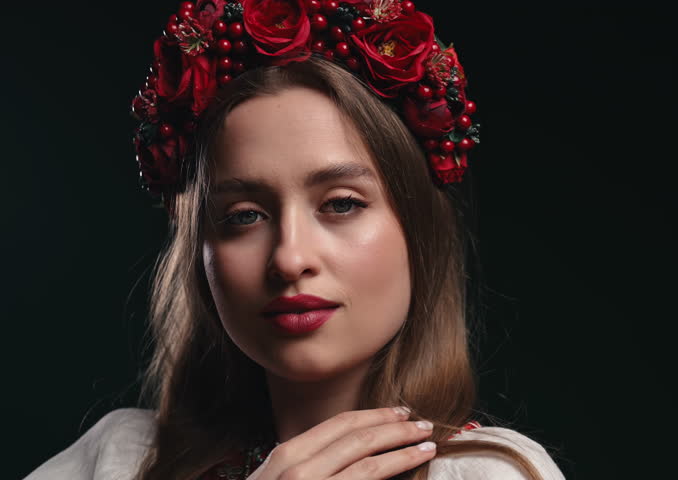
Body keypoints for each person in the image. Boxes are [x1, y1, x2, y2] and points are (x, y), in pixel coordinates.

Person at [23, 1, 566, 479]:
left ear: (418, 230)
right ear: (199, 253)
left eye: (341, 204)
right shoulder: (119, 458)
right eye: (244, 215)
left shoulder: (483, 473)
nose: (290, 258)